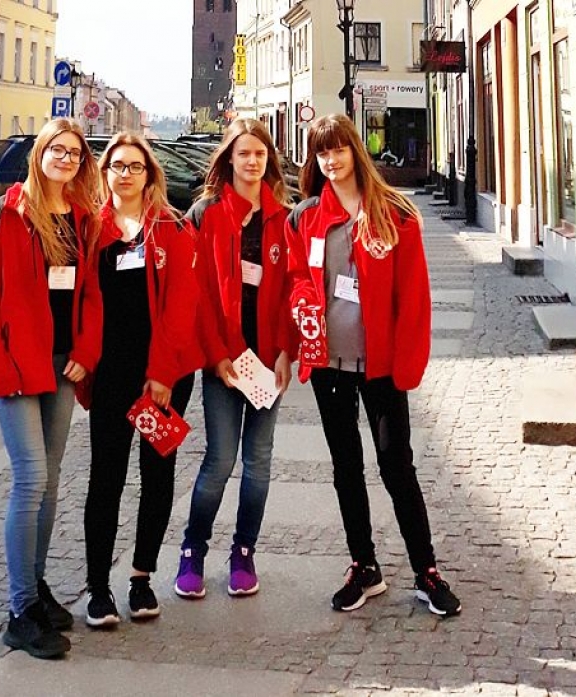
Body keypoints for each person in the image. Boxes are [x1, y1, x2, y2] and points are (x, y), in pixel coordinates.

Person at [285, 113, 461, 617]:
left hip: (380, 366)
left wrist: (407, 366)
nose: (331, 160)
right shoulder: (307, 217)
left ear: (354, 152)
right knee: (346, 468)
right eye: (322, 153)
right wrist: (303, 305)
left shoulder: (394, 214)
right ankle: (364, 566)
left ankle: (426, 571)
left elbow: (415, 297)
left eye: (338, 149)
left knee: (396, 466)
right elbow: (298, 275)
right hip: (329, 366)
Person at [0, 118, 103, 658]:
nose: (65, 158)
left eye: (74, 152)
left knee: (49, 484)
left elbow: (91, 296)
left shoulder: (84, 217)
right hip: (18, 370)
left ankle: (37, 586)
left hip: (62, 367)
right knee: (30, 480)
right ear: (40, 153)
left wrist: (85, 354)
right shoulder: (6, 215)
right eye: (57, 149)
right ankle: (20, 609)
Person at [83, 133, 203, 627]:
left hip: (164, 378)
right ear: (105, 172)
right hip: (112, 374)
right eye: (117, 165)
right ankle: (96, 588)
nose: (126, 173)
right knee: (106, 476)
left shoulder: (170, 228)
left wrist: (161, 376)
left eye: (136, 166)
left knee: (156, 476)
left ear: (150, 174)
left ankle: (140, 577)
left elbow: (181, 307)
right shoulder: (90, 229)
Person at [174, 118, 296, 599]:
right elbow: (196, 293)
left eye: (259, 154)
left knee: (259, 463)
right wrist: (216, 356)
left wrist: (288, 349)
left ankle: (244, 551)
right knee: (220, 460)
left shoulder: (282, 218)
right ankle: (193, 549)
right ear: (229, 160)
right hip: (222, 360)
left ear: (268, 160)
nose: (251, 161)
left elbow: (293, 290)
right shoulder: (205, 214)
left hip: (266, 361)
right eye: (243, 153)